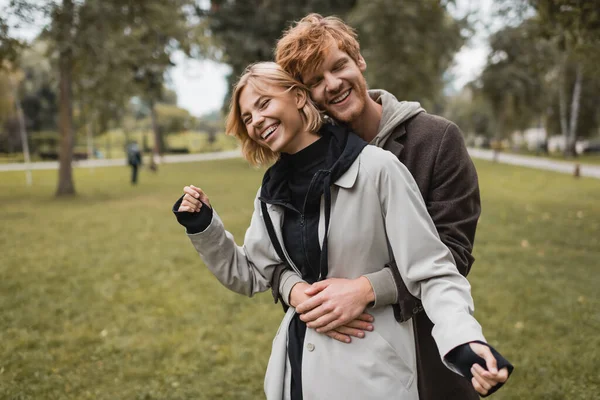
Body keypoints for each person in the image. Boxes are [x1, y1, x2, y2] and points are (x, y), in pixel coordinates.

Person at [172, 62, 512, 399]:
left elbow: (432, 269)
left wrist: (464, 340)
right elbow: (252, 273)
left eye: (264, 104)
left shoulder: (378, 169)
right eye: (247, 117)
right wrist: (204, 226)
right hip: (297, 373)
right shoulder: (270, 192)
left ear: (299, 98)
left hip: (373, 375)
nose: (257, 120)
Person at [273, 14, 490, 399]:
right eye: (316, 82)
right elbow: (280, 254)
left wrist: (367, 289)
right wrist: (294, 287)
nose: (333, 84)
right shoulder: (309, 156)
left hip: (423, 345)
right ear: (304, 96)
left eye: (338, 66)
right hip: (345, 356)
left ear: (359, 61)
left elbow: (453, 254)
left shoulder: (436, 140)